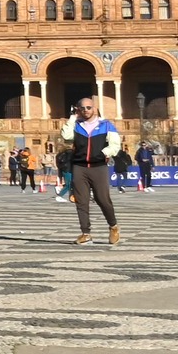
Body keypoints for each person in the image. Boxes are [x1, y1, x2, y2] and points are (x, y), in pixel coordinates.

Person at [64, 96, 122, 246]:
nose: (86, 111)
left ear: (94, 108)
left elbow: (115, 145)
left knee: (103, 199)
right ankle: (86, 233)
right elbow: (66, 136)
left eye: (88, 107)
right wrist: (72, 117)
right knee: (81, 201)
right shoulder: (76, 126)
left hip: (98, 167)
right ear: (78, 110)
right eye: (82, 108)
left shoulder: (106, 125)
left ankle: (113, 226)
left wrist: (103, 153)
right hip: (80, 166)